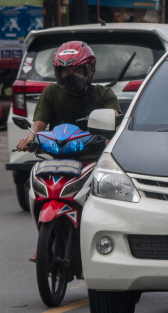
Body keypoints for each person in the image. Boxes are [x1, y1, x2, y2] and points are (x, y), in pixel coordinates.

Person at [16, 42, 121, 262]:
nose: (69, 75)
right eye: (64, 70)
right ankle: (45, 240)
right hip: (58, 159)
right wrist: (31, 138)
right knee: (31, 185)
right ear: (57, 72)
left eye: (76, 70)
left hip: (92, 160)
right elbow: (39, 124)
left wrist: (109, 137)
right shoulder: (52, 92)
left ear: (89, 71)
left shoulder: (103, 93)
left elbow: (114, 120)